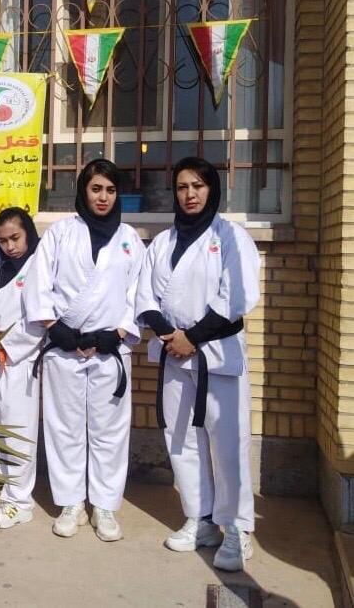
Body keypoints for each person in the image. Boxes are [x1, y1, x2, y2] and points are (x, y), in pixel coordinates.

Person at [136, 156, 260, 572]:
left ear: (212, 189)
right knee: (180, 438)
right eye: (182, 187)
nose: (190, 194)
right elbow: (144, 296)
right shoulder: (163, 242)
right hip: (175, 354)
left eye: (198, 186)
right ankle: (200, 519)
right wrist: (170, 335)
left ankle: (238, 530)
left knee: (227, 443)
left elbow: (237, 297)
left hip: (216, 356)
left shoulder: (232, 237)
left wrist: (193, 337)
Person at [23, 159, 145, 541]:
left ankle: (105, 505)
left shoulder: (129, 239)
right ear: (83, 191)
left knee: (110, 431)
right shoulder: (61, 233)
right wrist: (56, 330)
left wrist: (118, 333)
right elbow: (38, 286)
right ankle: (71, 502)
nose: (103, 197)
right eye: (96, 189)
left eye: (110, 190)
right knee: (64, 428)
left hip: (110, 349)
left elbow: (139, 293)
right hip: (66, 347)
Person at [0, 207, 44, 530]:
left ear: (29, 233)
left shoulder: (38, 267)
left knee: (18, 432)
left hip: (19, 361)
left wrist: (3, 343)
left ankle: (21, 501)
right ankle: (7, 492)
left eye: (15, 238)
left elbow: (39, 321)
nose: (10, 246)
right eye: (2, 240)